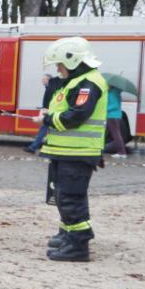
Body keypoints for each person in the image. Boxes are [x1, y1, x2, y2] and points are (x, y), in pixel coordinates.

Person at [39, 37, 108, 262]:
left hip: (78, 153)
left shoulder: (88, 83)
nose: (58, 70)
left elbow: (76, 116)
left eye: (60, 65)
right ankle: (69, 235)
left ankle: (78, 245)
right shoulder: (77, 81)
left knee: (71, 198)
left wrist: (48, 119)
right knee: (63, 196)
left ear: (73, 61)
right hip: (68, 151)